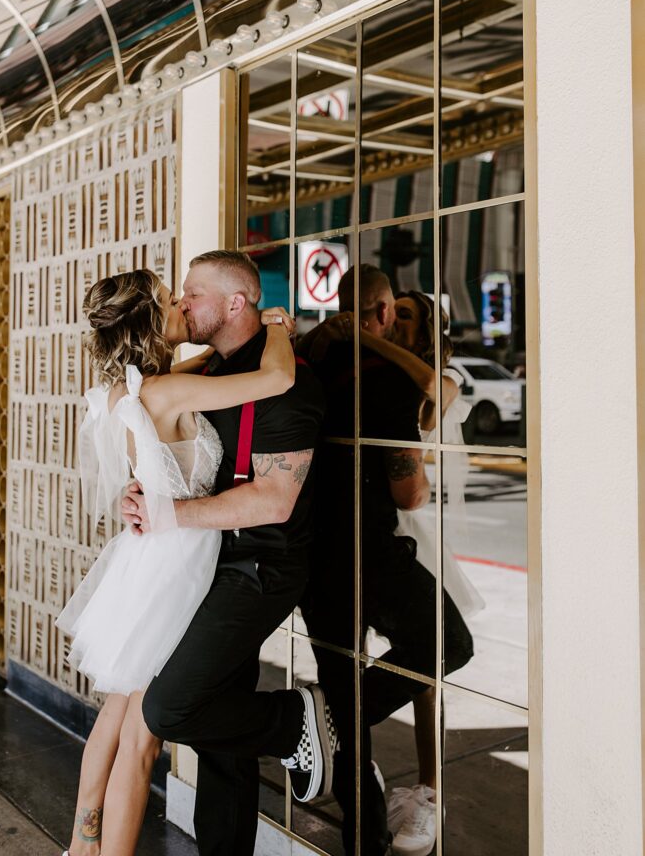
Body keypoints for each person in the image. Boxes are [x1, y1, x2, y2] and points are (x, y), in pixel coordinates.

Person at [57, 268, 299, 856]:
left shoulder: (129, 388)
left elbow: (189, 375)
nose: (182, 307)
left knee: (115, 715)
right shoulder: (168, 392)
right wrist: (278, 326)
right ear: (150, 321)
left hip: (145, 562)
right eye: (171, 301)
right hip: (175, 570)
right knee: (141, 739)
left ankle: (82, 845)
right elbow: (278, 378)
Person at [121, 250, 334, 856]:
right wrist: (141, 493)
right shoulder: (208, 373)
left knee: (170, 709)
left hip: (261, 566)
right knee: (219, 736)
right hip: (203, 561)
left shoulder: (288, 384)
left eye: (193, 292)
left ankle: (294, 721)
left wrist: (170, 516)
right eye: (180, 294)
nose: (183, 303)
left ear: (235, 303)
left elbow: (273, 501)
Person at [299, 264, 473, 856]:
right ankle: (318, 718)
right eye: (393, 312)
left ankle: (367, 830)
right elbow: (412, 492)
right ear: (380, 314)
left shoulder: (310, 361)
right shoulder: (385, 377)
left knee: (348, 688)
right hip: (369, 544)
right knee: (444, 643)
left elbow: (441, 388)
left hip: (310, 550)